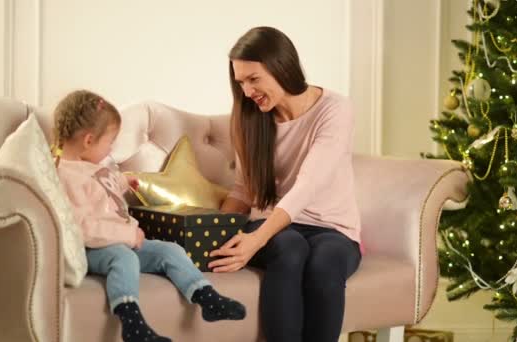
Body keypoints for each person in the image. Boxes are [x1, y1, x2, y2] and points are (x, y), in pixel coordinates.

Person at [52, 90, 246, 342]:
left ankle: (206, 298)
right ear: (89, 140)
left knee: (170, 250)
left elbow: (102, 192)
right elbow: (83, 227)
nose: (111, 148)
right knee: (124, 259)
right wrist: (129, 234)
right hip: (97, 249)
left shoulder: (93, 166)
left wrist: (124, 182)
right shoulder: (65, 175)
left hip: (125, 242)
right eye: (109, 142)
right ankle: (131, 322)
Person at [208, 27, 362, 342]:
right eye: (240, 82)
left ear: (281, 67)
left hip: (332, 228)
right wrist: (218, 231)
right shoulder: (247, 118)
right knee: (290, 247)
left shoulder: (335, 109)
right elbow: (243, 190)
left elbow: (309, 184)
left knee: (325, 262)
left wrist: (256, 241)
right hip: (272, 225)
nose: (247, 91)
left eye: (253, 79)